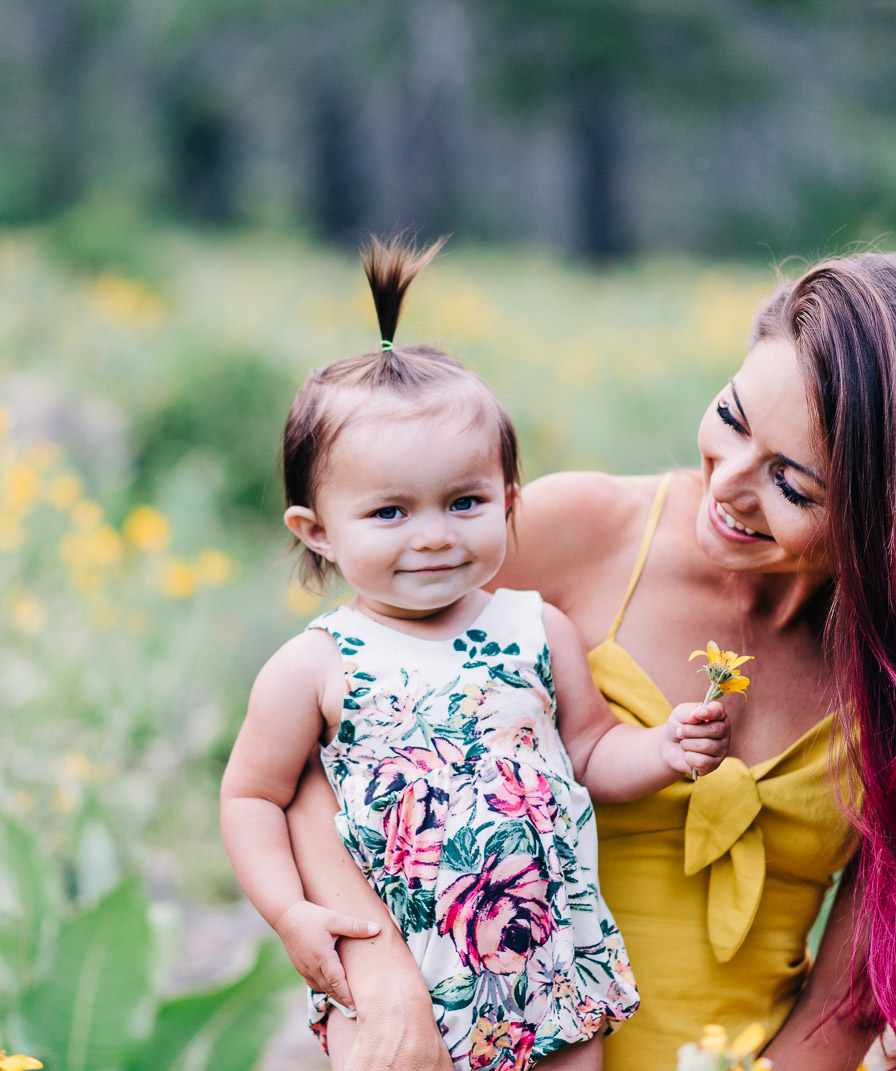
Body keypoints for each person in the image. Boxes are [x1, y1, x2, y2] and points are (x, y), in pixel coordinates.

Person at [286, 252, 896, 1071]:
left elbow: (847, 1003)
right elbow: (315, 756)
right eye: (734, 418)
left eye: (792, 484)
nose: (728, 484)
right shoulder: (576, 535)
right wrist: (379, 973)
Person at [219, 236, 733, 1071]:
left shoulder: (537, 627)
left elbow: (589, 750)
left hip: (549, 953)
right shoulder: (315, 664)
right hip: (401, 967)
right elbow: (252, 796)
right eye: (390, 513)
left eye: (464, 501)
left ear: (509, 501)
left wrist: (662, 748)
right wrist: (288, 911)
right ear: (317, 531)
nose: (432, 537)